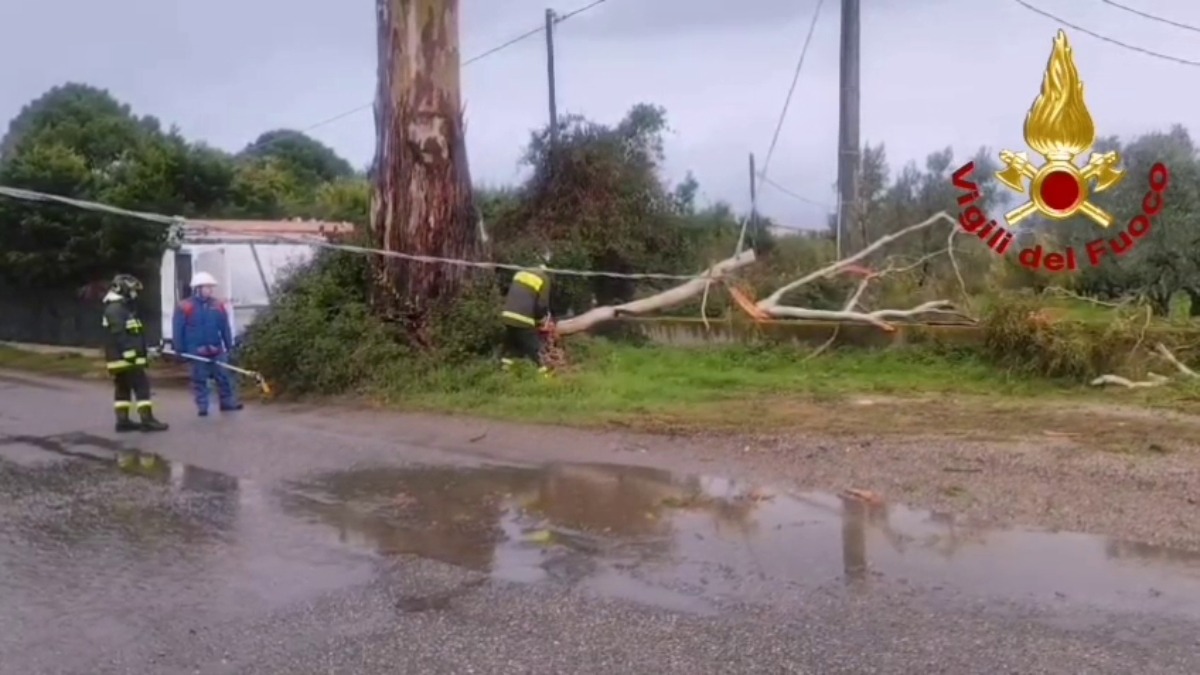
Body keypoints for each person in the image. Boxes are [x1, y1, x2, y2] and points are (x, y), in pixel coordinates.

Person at [102, 274, 168, 432]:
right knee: (142, 386)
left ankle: (123, 421)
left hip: (120, 358)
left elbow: (133, 332)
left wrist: (147, 350)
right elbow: (120, 334)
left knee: (123, 388)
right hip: (126, 358)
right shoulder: (116, 309)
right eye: (132, 291)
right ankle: (147, 420)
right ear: (123, 289)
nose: (134, 294)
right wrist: (130, 354)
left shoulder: (120, 308)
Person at [173, 271, 243, 416]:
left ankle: (227, 403)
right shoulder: (185, 306)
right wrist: (179, 348)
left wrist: (229, 345)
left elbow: (224, 327)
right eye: (207, 287)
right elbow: (178, 328)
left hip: (215, 348)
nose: (211, 290)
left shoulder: (217, 305)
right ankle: (202, 406)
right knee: (199, 379)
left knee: (223, 377)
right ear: (198, 288)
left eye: (211, 287)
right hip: (196, 350)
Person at [500, 259, 552, 375]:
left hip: (507, 316)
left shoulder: (519, 273)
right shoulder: (544, 278)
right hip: (523, 319)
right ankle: (544, 376)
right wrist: (541, 320)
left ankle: (504, 374)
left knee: (511, 347)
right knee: (534, 348)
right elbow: (541, 305)